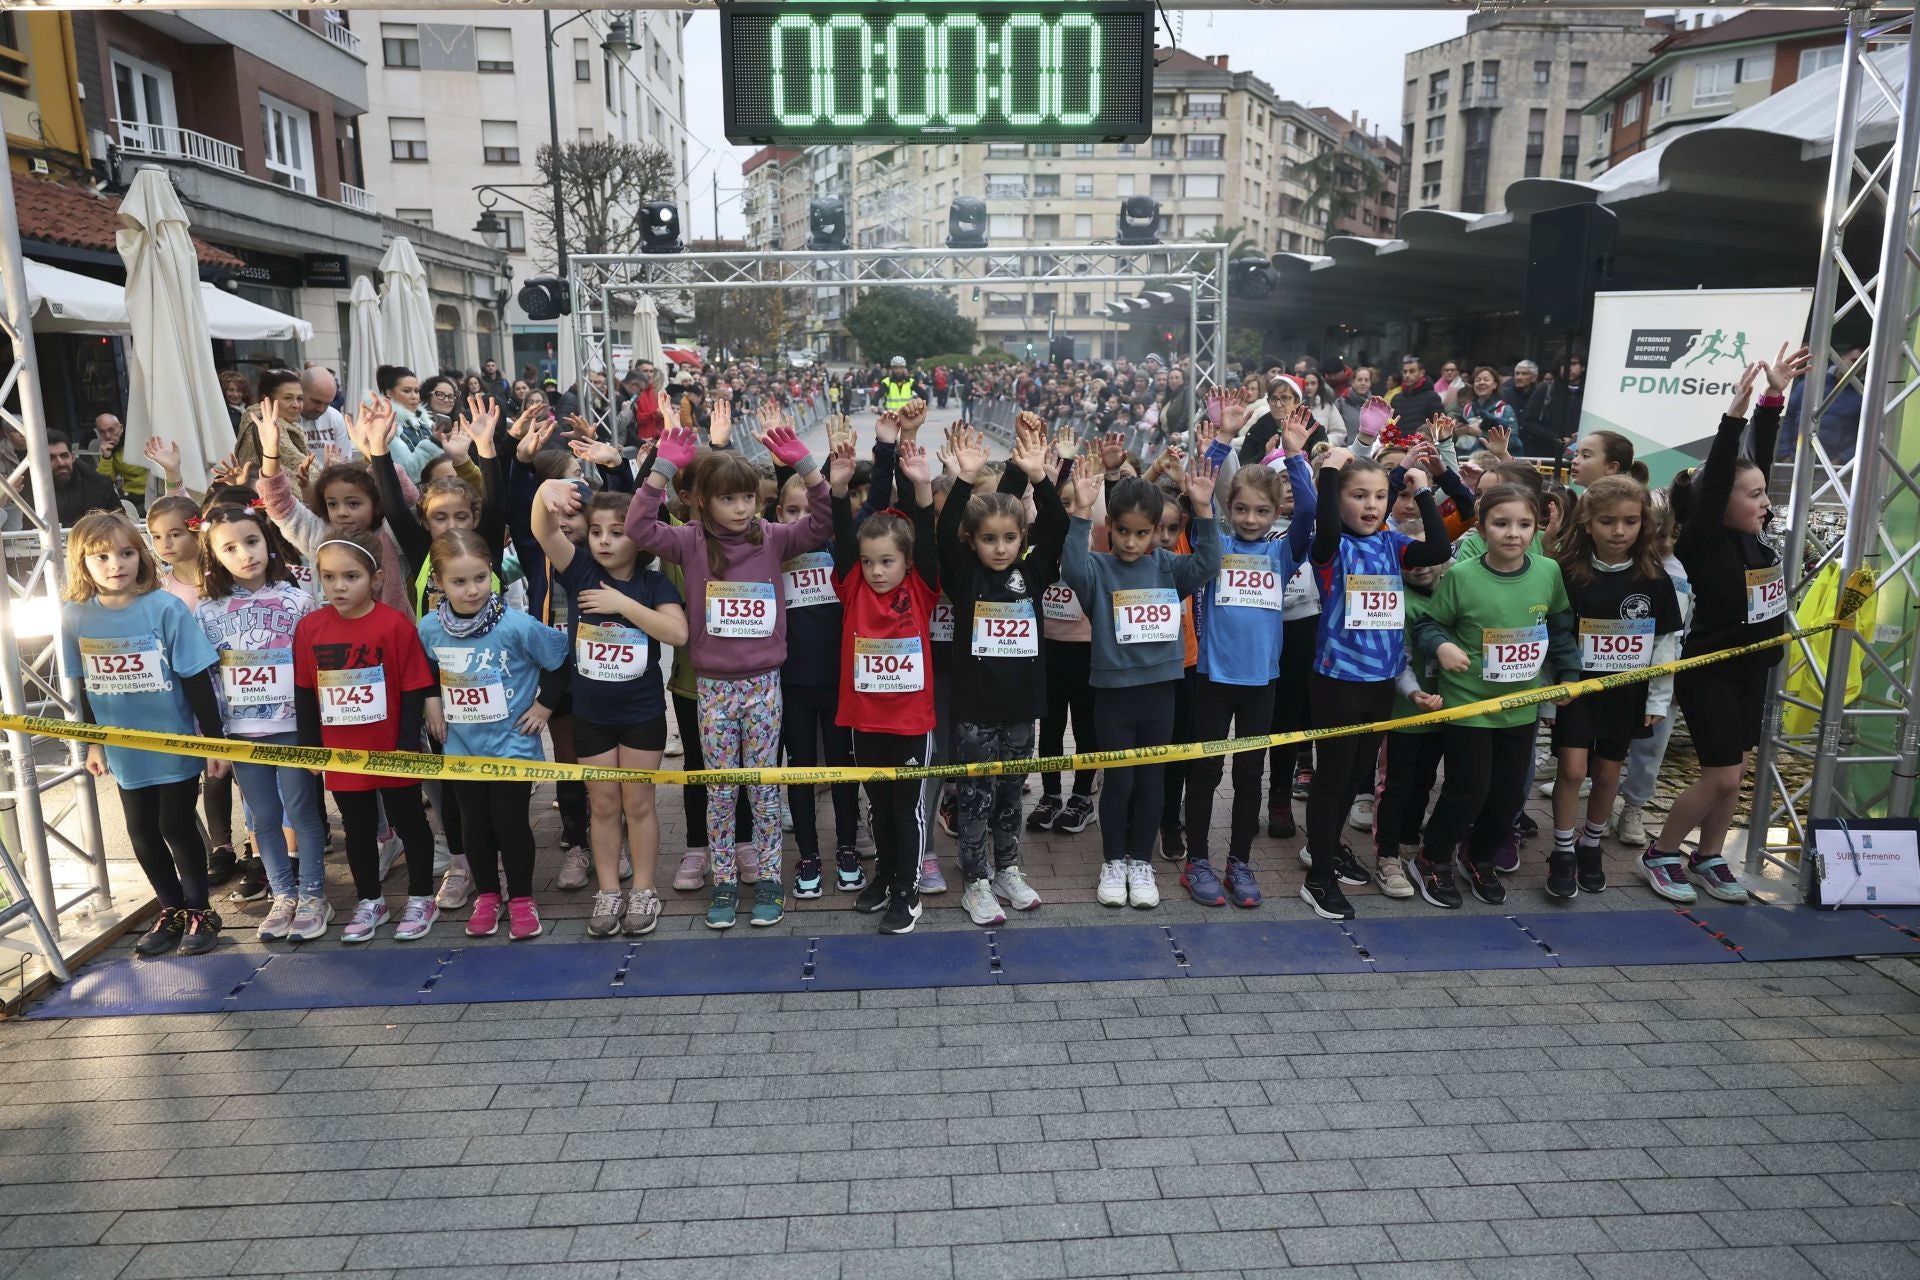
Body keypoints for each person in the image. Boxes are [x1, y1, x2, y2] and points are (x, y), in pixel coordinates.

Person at [625, 409, 830, 930]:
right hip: (712, 690)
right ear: (702, 501)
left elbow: (825, 523)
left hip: (764, 687)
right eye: (728, 498)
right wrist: (660, 471)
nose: (741, 509)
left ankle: (767, 880)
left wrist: (806, 467)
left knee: (763, 790)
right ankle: (723, 883)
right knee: (719, 789)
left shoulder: (773, 537)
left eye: (748, 498)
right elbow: (638, 527)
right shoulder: (691, 540)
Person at [1644, 347, 1809, 904]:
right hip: (1710, 671)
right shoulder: (1705, 538)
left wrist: (1772, 400)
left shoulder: (1752, 530)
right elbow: (1721, 478)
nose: (1766, 503)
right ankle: (1662, 851)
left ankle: (1709, 856)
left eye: (1765, 493)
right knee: (1719, 776)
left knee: (1735, 775)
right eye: (1755, 495)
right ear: (1720, 504)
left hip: (1753, 667)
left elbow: (1754, 463)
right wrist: (1733, 414)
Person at [1060, 431, 1222, 910]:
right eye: (1123, 531)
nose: (1131, 542)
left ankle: (1140, 861)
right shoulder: (1097, 569)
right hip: (1112, 694)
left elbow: (1210, 562)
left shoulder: (1169, 569)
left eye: (1142, 532)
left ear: (1156, 531)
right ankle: (1113, 860)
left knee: (1151, 782)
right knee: (1121, 781)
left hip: (1160, 694)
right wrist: (1079, 514)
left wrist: (1206, 512)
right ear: (1110, 526)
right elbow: (1070, 569)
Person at [63, 510, 229, 957]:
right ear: (82, 564)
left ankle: (200, 911)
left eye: (126, 552)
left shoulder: (165, 607)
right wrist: (92, 741)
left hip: (173, 742)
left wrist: (214, 741)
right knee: (141, 832)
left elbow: (196, 678)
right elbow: (79, 687)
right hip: (123, 751)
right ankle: (171, 909)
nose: (116, 564)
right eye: (101, 557)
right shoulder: (75, 616)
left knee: (174, 824)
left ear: (141, 555)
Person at [1299, 447, 1452, 919]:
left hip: (1381, 681)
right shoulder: (1329, 547)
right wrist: (1327, 472)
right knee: (1331, 780)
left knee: (1353, 779)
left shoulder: (1391, 542)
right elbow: (1325, 529)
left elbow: (1438, 550)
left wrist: (1422, 490)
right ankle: (1318, 878)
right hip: (1337, 680)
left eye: (1380, 496)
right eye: (1358, 495)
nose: (1371, 505)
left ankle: (1324, 847)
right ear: (1339, 499)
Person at [1411, 484, 1579, 908]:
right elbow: (1429, 625)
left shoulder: (1548, 572)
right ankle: (1432, 857)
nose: (1513, 533)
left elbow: (1559, 628)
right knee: (1468, 788)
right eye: (1501, 523)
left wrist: (1570, 673)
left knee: (1507, 794)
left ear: (1537, 527)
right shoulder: (1463, 576)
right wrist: (1442, 646)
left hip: (1521, 707)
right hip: (1468, 704)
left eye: (1523, 524)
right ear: (1482, 528)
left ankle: (1479, 855)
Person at [531, 480, 687, 937]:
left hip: (641, 715)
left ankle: (642, 889)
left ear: (641, 537)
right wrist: (545, 490)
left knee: (638, 803)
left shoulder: (652, 582)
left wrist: (622, 604)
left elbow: (676, 634)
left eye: (616, 532)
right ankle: (607, 891)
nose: (602, 540)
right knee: (602, 804)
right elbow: (543, 531)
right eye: (596, 530)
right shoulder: (579, 571)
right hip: (592, 716)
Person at [1180, 411, 1315, 909]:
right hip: (1214, 679)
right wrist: (1220, 440)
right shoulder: (1213, 545)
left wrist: (1297, 456)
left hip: (1262, 682)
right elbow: (1200, 491)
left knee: (1249, 776)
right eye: (1242, 509)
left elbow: (1308, 515)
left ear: (1274, 510)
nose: (1252, 519)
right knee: (1205, 772)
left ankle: (1239, 860)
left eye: (1261, 511)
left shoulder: (1283, 554)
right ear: (1229, 509)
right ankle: (1198, 860)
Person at [939, 418, 1064, 926]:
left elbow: (1057, 528)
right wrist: (966, 481)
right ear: (974, 542)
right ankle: (975, 881)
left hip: (1020, 710)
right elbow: (946, 533)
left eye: (1009, 538)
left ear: (1021, 539)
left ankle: (1008, 867)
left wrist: (1039, 478)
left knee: (1011, 794)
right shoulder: (963, 574)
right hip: (975, 712)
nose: (999, 547)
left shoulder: (1031, 573)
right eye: (988, 539)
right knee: (974, 798)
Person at [418, 528, 569, 940]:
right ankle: (487, 894)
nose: (471, 590)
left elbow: (561, 661)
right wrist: (431, 700)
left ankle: (521, 898)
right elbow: (426, 670)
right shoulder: (430, 627)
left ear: (493, 574)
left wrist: (544, 706)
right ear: (439, 581)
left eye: (480, 578)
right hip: (462, 745)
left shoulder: (518, 626)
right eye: (459, 581)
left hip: (511, 744)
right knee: (473, 825)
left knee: (510, 823)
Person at [292, 532, 441, 942]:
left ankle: (421, 896)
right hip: (342, 751)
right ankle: (369, 900)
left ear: (375, 579)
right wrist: (310, 746)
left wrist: (407, 744)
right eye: (329, 577)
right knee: (356, 827)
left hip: (391, 745)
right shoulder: (310, 628)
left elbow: (413, 686)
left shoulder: (394, 625)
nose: (338, 586)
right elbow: (305, 689)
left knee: (409, 821)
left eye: (350, 577)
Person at [192, 502, 328, 941]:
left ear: (268, 543)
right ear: (214, 556)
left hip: (292, 728)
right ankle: (283, 895)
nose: (244, 554)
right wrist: (211, 739)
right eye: (230, 548)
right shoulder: (207, 611)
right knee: (263, 817)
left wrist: (317, 731)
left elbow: (315, 671)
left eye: (251, 542)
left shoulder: (299, 600)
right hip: (241, 734)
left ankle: (312, 894)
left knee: (304, 812)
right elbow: (207, 678)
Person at [1548, 476, 1682, 898]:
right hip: (1575, 692)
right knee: (1572, 771)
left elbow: (1665, 644)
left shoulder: (1656, 579)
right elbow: (1553, 634)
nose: (1619, 531)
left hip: (1626, 696)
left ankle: (1591, 846)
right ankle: (1563, 850)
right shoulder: (1566, 573)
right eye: (1608, 521)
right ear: (1587, 522)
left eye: (1630, 521)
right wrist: (1552, 694)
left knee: (1608, 774)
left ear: (1644, 523)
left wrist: (1659, 697)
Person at [830, 435, 942, 934]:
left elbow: (928, 538)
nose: (877, 571)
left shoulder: (920, 589)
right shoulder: (852, 583)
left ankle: (909, 890)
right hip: (865, 721)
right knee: (876, 807)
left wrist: (919, 489)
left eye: (887, 562)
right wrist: (836, 494)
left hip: (910, 724)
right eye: (870, 562)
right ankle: (888, 874)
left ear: (907, 563)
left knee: (907, 810)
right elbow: (840, 536)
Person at [1778, 343, 1866, 463]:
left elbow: (1867, 435)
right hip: (1795, 461)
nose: (1857, 366)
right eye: (1854, 360)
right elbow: (1787, 417)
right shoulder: (1810, 383)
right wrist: (1784, 454)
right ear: (1841, 358)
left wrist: (1842, 459)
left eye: (1863, 364)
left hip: (1833, 469)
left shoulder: (1864, 397)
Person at [233, 372, 311, 473]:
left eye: (300, 398)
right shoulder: (268, 426)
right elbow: (306, 473)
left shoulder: (289, 426)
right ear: (266, 400)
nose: (296, 405)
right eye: (287, 398)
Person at [39, 432, 122, 525]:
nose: (60, 463)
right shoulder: (33, 487)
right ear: (41, 461)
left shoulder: (99, 484)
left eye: (64, 456)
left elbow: (121, 522)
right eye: (51, 458)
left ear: (73, 457)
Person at [1521, 356, 1584, 458]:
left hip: (1576, 455)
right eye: (1564, 364)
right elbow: (1529, 422)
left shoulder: (1590, 393)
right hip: (1544, 454)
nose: (1569, 367)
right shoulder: (1546, 388)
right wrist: (1557, 439)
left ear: (1583, 367)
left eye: (1573, 364)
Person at [88, 415, 150, 510]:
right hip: (129, 494)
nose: (108, 436)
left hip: (150, 493)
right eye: (102, 432)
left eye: (111, 430)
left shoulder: (140, 441)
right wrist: (106, 458)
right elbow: (105, 481)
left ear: (121, 428)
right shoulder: (111, 449)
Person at [1566, 428, 1647, 490]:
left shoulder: (1619, 508)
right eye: (1576, 455)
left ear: (1612, 467)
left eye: (1586, 456)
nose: (1574, 461)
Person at [300, 368, 352, 458]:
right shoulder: (285, 418)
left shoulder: (335, 417)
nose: (321, 409)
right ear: (300, 392)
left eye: (327, 403)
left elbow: (345, 459)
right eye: (316, 401)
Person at [1390, 354, 1445, 436]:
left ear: (1421, 373)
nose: (1407, 375)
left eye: (1412, 371)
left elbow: (1440, 429)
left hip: (1422, 446)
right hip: (1397, 447)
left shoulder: (1432, 398)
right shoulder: (1396, 399)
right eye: (1405, 372)